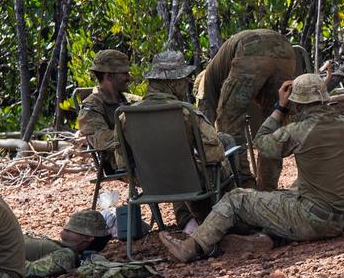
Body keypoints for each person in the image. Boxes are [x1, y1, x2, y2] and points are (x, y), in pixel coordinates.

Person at [159, 73, 344, 263]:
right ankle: (259, 239)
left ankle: (193, 247)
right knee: (282, 197)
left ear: (297, 103)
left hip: (311, 218)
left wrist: (280, 107)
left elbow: (261, 142)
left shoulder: (299, 130)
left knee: (236, 199)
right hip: (336, 217)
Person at [117, 50, 230, 231]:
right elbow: (215, 156)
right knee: (225, 151)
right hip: (190, 181)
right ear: (173, 82)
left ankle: (189, 222)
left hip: (150, 184)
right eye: (183, 78)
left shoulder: (125, 117)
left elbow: (122, 163)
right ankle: (225, 220)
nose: (187, 82)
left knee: (178, 169)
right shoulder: (186, 113)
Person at [197, 29, 297, 190]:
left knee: (229, 126)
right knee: (274, 125)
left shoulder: (206, 84)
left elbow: (205, 125)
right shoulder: (219, 67)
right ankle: (267, 190)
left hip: (250, 50)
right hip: (285, 48)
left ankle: (245, 185)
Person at [77, 49, 133, 173]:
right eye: (124, 73)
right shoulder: (91, 108)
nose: (128, 78)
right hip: (123, 163)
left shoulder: (130, 100)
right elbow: (101, 141)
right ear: (110, 76)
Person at [23, 210, 111, 278]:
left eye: (70, 230)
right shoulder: (62, 248)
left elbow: (31, 270)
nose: (61, 232)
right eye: (66, 229)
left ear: (88, 238)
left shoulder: (67, 255)